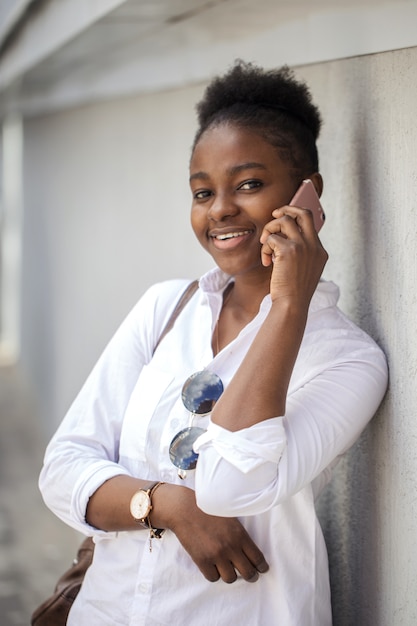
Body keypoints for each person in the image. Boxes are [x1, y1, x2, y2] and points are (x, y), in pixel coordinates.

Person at [39, 60, 388, 625]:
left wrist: (287, 306)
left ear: (308, 194)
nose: (221, 209)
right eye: (203, 192)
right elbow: (62, 469)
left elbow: (228, 489)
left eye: (249, 184)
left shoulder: (348, 359)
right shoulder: (165, 308)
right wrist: (165, 505)